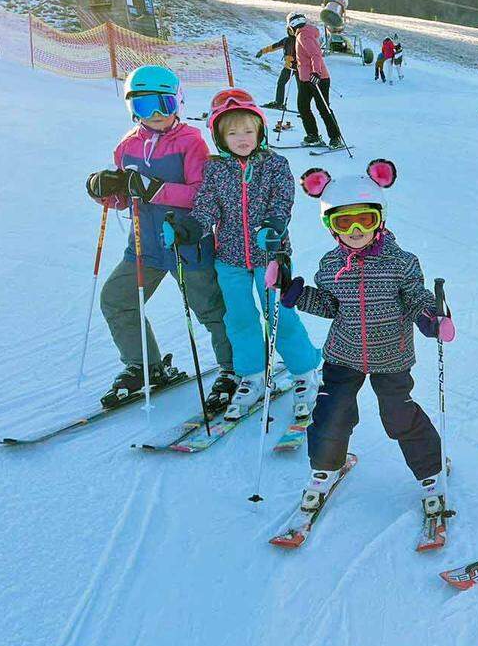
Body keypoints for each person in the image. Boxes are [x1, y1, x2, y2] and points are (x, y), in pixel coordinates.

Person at [271, 160, 455, 523]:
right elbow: (330, 305)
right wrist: (297, 295)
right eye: (344, 222)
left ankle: (431, 471)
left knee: (399, 415)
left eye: (365, 220)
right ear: (330, 226)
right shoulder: (328, 265)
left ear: (380, 220)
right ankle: (326, 467)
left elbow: (415, 297)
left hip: (392, 356)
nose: (356, 230)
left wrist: (430, 318)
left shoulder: (401, 262)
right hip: (343, 354)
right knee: (331, 412)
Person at [84, 65, 236, 410]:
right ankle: (144, 366)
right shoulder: (126, 147)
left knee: (210, 310)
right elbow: (126, 196)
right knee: (116, 299)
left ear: (177, 103)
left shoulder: (191, 142)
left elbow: (202, 194)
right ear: (130, 108)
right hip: (144, 246)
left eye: (163, 104)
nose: (155, 115)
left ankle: (233, 370)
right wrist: (106, 191)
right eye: (143, 106)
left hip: (187, 244)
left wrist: (154, 190)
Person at [169, 88, 323, 421]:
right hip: (230, 260)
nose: (242, 138)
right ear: (219, 136)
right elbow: (207, 205)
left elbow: (283, 201)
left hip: (271, 256)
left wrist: (275, 224)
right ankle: (252, 375)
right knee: (239, 318)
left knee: (279, 315)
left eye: (248, 131)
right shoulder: (215, 169)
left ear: (260, 132)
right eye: (233, 132)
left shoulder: (276, 165)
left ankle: (305, 371)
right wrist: (191, 229)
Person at [290, 12, 345, 149]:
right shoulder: (303, 34)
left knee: (323, 108)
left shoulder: (304, 35)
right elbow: (307, 57)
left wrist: (316, 72)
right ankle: (313, 136)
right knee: (303, 107)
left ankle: (335, 138)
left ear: (291, 25)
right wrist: (297, 64)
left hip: (317, 78)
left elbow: (316, 55)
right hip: (306, 79)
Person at [254, 23, 297, 110]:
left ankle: (304, 108)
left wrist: (297, 61)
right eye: (289, 30)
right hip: (288, 67)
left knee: (302, 87)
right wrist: (262, 51)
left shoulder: (300, 41)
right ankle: (279, 103)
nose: (290, 32)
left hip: (300, 68)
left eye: (292, 30)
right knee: (281, 83)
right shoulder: (286, 40)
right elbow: (274, 46)